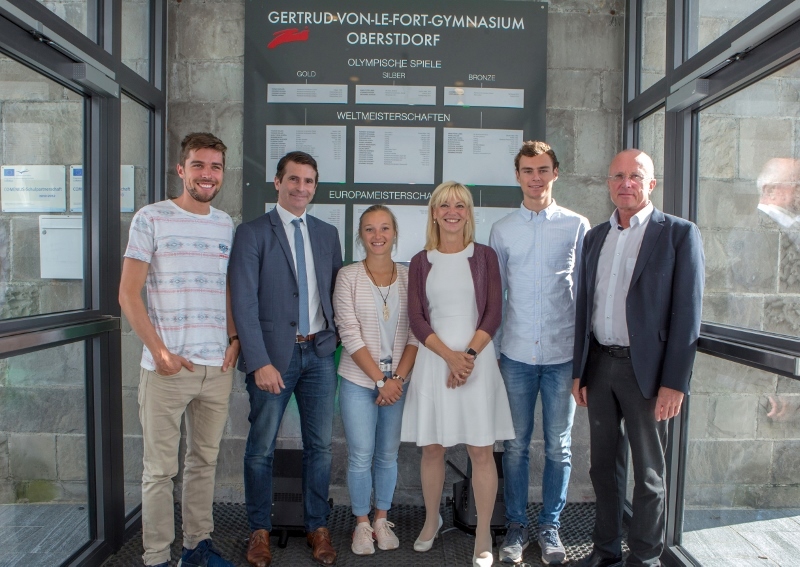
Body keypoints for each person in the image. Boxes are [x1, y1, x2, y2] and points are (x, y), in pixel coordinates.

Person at [572, 149, 705, 567]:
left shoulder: (679, 234)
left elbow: (688, 313)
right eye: (618, 176)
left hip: (648, 373)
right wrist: (580, 372)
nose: (625, 183)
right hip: (600, 366)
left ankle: (645, 557)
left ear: (651, 184)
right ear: (608, 184)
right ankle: (605, 551)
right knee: (603, 469)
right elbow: (584, 309)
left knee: (649, 474)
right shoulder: (595, 237)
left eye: (635, 176)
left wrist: (675, 381)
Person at [119, 132, 238, 567]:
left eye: (216, 167)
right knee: (159, 471)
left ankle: (196, 547)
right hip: (167, 368)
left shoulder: (225, 224)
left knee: (203, 463)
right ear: (181, 169)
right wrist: (161, 353)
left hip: (216, 368)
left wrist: (234, 339)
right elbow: (128, 295)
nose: (208, 175)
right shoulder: (150, 219)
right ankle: (155, 557)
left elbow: (227, 288)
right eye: (199, 165)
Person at [229, 151, 343, 567]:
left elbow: (334, 293)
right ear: (277, 183)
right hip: (273, 358)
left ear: (315, 186)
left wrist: (332, 340)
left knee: (321, 447)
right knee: (261, 449)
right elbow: (243, 301)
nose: (301, 188)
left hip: (318, 354)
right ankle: (259, 529)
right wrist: (259, 361)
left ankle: (317, 526)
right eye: (293, 179)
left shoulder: (328, 234)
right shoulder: (253, 232)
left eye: (309, 181)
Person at [402, 181, 515, 567]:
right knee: (432, 448)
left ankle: (483, 534)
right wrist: (449, 358)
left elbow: (494, 313)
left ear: (469, 213)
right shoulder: (420, 261)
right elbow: (416, 319)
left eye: (460, 205)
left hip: (476, 364)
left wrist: (465, 357)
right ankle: (431, 520)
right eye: (444, 205)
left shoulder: (484, 257)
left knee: (481, 451)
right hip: (435, 365)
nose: (452, 211)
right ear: (434, 212)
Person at [489, 141, 590, 565]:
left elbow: (587, 294)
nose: (535, 177)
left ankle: (550, 526)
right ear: (517, 175)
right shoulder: (502, 229)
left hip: (562, 355)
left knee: (559, 446)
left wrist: (584, 361)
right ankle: (515, 526)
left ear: (555, 174)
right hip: (514, 354)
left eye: (543, 169)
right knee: (514, 447)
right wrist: (491, 354)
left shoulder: (577, 225)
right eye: (528, 170)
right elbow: (494, 296)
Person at [333, 204, 419, 556]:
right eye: (370, 229)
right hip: (358, 380)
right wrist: (379, 381)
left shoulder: (412, 276)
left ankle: (382, 518)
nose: (378, 235)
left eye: (385, 228)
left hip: (399, 381)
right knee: (360, 455)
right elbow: (349, 335)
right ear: (360, 235)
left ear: (395, 233)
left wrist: (395, 378)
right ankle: (361, 524)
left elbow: (417, 334)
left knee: (387, 455)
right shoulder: (348, 276)